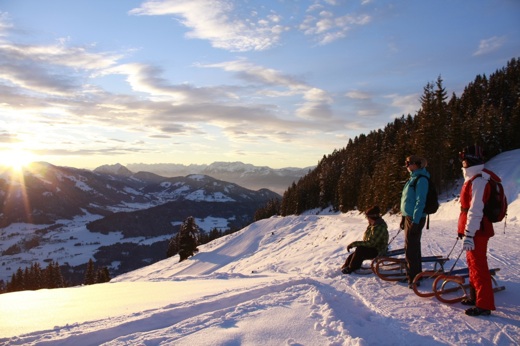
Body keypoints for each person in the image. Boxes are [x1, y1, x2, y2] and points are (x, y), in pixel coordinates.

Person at [458, 144, 498, 316]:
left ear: (471, 161)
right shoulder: (473, 179)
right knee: (472, 264)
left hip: (477, 231)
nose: (463, 163)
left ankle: (484, 304)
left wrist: (469, 233)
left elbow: (475, 211)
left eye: (465, 160)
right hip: (474, 230)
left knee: (479, 266)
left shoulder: (479, 181)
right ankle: (475, 296)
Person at [400, 155, 429, 288]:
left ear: (417, 164)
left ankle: (413, 277)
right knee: (413, 246)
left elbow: (420, 201)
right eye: (406, 163)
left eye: (409, 163)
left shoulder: (421, 179)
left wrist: (416, 221)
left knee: (411, 248)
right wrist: (403, 217)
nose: (406, 165)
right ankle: (416, 274)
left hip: (415, 218)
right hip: (409, 217)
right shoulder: (412, 178)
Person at [341, 206, 389, 274]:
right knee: (355, 253)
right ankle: (346, 266)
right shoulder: (372, 226)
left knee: (360, 250)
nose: (367, 219)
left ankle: (351, 268)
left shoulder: (379, 227)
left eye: (367, 217)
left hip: (378, 250)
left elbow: (371, 243)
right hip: (373, 248)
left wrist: (354, 244)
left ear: (372, 217)